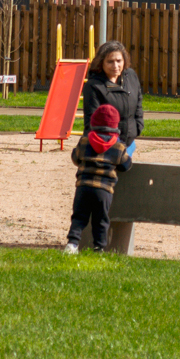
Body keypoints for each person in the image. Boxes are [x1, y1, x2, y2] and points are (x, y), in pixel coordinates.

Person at [65, 103, 131, 254]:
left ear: (93, 123)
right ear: (115, 126)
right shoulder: (118, 147)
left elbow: (75, 158)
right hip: (104, 190)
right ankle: (99, 248)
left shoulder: (84, 141)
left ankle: (72, 244)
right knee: (101, 220)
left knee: (79, 217)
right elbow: (125, 165)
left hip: (83, 187)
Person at [82, 42, 145, 156]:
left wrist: (138, 127)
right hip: (105, 146)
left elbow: (138, 103)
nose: (115, 66)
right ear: (101, 63)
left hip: (129, 143)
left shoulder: (131, 76)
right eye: (110, 61)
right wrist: (108, 142)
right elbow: (91, 121)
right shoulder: (93, 86)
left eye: (119, 61)